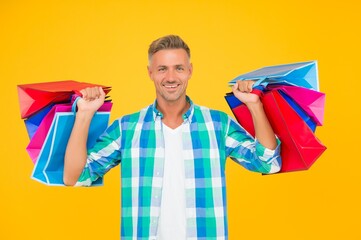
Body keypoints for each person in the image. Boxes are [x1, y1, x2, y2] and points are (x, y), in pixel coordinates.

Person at [64, 35, 281, 240]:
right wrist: (85, 114)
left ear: (190, 71)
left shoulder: (217, 124)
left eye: (178, 68)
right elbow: (75, 177)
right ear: (150, 73)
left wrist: (255, 105)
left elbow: (267, 163)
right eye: (162, 69)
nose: (170, 77)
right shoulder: (127, 128)